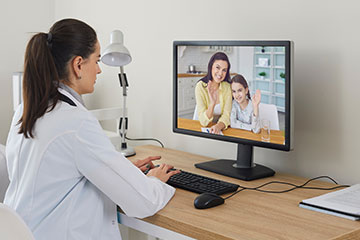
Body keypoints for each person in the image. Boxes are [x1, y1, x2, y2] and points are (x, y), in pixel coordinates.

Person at [4, 18, 179, 240]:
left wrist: (122, 170)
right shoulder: (75, 122)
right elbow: (143, 202)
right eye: (96, 61)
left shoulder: (25, 110)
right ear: (78, 65)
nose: (98, 70)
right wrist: (152, 179)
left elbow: (56, 176)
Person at [194, 52, 232, 134]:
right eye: (217, 68)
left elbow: (226, 115)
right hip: (201, 125)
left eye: (224, 70)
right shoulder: (200, 87)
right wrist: (212, 104)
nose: (220, 73)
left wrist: (218, 126)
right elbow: (204, 122)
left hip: (218, 127)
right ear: (211, 67)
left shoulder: (227, 87)